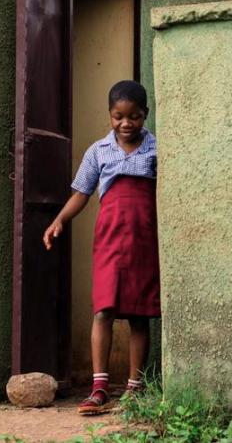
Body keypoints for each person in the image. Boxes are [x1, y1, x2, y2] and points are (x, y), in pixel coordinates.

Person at [43, 80, 160, 415]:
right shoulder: (98, 151)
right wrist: (59, 220)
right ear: (110, 116)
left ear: (145, 115)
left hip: (144, 240)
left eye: (134, 117)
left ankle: (135, 388)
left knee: (140, 315)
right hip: (110, 239)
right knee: (103, 310)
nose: (126, 123)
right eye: (118, 117)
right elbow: (81, 192)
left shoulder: (156, 149)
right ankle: (99, 388)